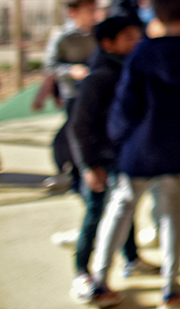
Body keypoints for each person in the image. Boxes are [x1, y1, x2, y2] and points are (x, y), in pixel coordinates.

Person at [87, 0, 180, 309]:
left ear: (156, 16)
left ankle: (99, 281)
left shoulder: (143, 54)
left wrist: (118, 139)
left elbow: (127, 104)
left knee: (120, 210)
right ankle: (171, 289)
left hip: (141, 146)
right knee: (173, 215)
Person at [67, 15, 159, 305]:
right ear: (108, 44)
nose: (137, 42)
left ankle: (131, 258)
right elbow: (80, 125)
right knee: (96, 214)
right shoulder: (100, 78)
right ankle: (83, 272)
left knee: (126, 209)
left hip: (124, 156)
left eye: (137, 36)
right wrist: (88, 165)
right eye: (129, 38)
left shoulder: (132, 71)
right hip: (100, 160)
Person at [42, 0, 100, 194]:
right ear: (72, 12)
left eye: (95, 9)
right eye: (88, 10)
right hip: (74, 93)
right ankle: (75, 174)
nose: (93, 14)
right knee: (76, 133)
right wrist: (70, 70)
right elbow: (50, 65)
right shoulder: (63, 36)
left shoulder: (99, 32)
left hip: (97, 92)